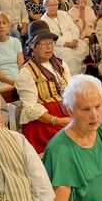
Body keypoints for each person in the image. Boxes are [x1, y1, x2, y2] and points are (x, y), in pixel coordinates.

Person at [14, 21, 72, 153]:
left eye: (51, 42)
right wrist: (58, 121)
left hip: (66, 111)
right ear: (33, 46)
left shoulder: (61, 64)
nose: (49, 47)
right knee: (68, 144)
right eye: (44, 43)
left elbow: (71, 91)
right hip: (43, 121)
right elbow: (30, 108)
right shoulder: (27, 72)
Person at [41, 0, 89, 76]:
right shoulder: (43, 21)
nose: (53, 7)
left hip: (74, 42)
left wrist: (75, 40)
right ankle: (74, 79)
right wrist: (67, 44)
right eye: (50, 5)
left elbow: (74, 28)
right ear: (45, 6)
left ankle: (85, 74)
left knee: (84, 47)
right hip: (59, 46)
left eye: (55, 5)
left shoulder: (63, 14)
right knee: (71, 58)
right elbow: (51, 38)